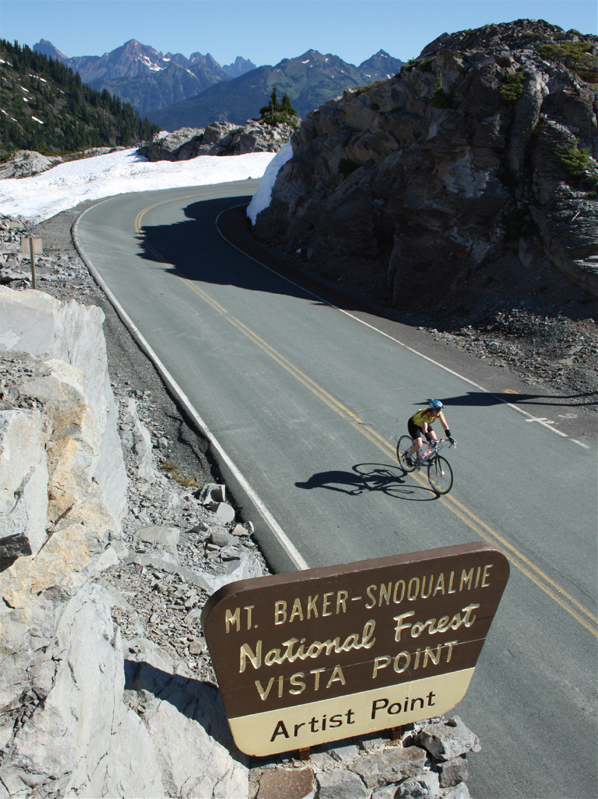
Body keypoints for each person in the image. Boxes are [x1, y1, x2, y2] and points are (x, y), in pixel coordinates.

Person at [406, 399, 455, 466]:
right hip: (414, 424)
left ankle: (425, 455)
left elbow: (445, 425)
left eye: (440, 410)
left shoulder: (439, 413)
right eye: (437, 410)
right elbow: (425, 430)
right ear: (432, 409)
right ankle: (408, 456)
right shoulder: (426, 414)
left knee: (435, 440)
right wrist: (429, 440)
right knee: (419, 444)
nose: (439, 412)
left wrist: (449, 436)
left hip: (424, 423)